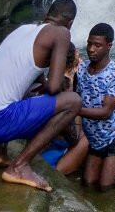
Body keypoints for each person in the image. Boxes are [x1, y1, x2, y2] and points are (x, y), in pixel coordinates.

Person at [0, 0, 82, 192]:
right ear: (70, 23)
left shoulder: (23, 30)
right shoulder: (61, 33)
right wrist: (65, 79)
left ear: (47, 14)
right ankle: (19, 166)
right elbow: (53, 87)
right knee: (73, 101)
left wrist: (43, 86)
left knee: (20, 89)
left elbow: (30, 75)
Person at [77, 23, 115, 191]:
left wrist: (74, 110)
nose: (91, 49)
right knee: (88, 184)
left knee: (105, 187)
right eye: (89, 44)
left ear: (109, 46)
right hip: (95, 139)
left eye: (97, 45)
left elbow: (105, 112)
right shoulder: (81, 69)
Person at [41, 42, 89, 175]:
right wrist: (78, 110)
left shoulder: (51, 78)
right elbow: (74, 136)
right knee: (88, 137)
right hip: (54, 150)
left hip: (45, 144)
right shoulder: (66, 84)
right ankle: (57, 173)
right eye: (78, 55)